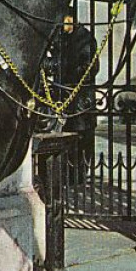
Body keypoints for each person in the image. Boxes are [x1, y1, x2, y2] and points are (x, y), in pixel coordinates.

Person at [56, 14, 98, 180]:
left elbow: (90, 68)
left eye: (64, 22)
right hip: (67, 93)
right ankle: (70, 171)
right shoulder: (65, 38)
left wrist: (71, 77)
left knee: (81, 134)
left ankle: (80, 172)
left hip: (81, 96)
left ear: (71, 20)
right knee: (69, 133)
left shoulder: (84, 39)